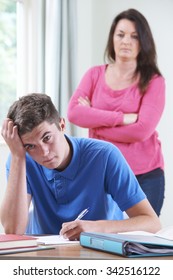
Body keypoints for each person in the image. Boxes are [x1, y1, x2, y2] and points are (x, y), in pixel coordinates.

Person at [0, 93, 161, 239]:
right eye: (30, 146)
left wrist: (96, 227)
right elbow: (13, 230)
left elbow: (152, 223)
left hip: (100, 253)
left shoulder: (104, 155)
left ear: (62, 125)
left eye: (47, 138)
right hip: (44, 257)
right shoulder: (20, 160)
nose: (44, 152)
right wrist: (17, 157)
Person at [67, 8, 165, 217]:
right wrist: (121, 118)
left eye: (134, 36)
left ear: (143, 42)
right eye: (120, 34)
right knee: (101, 239)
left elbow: (141, 131)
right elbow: (74, 113)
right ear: (112, 38)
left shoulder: (154, 81)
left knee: (140, 242)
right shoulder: (94, 75)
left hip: (145, 176)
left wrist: (94, 119)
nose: (126, 41)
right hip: (102, 172)